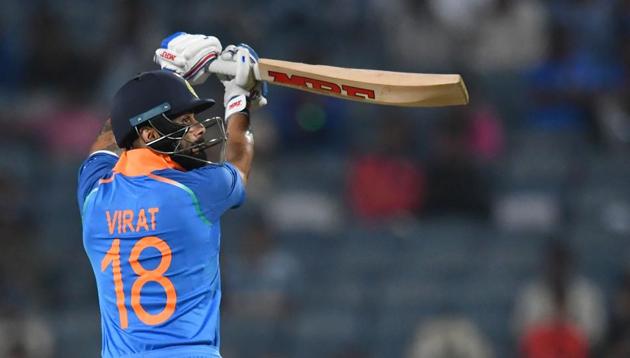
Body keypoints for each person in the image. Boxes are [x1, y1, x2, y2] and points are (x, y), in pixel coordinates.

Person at [77, 33, 266, 358]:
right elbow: (239, 158)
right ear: (149, 134)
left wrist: (164, 80)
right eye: (184, 121)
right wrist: (239, 97)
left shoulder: (94, 196)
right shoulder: (194, 191)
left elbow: (106, 142)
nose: (199, 129)